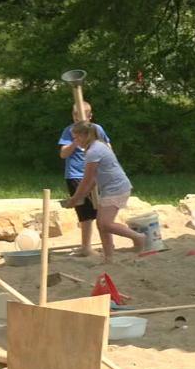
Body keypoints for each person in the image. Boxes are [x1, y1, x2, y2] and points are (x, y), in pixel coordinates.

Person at [64, 121, 147, 263]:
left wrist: (75, 198)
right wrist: (81, 196)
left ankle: (138, 237)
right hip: (110, 188)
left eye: (76, 138)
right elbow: (93, 180)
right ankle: (109, 257)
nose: (75, 141)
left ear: (85, 136)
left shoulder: (93, 151)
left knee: (106, 224)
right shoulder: (97, 147)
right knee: (101, 224)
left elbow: (87, 179)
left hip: (117, 188)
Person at [58, 101, 111, 257]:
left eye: (80, 115)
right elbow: (63, 154)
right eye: (74, 115)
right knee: (84, 213)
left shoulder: (97, 129)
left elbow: (108, 148)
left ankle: (107, 244)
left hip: (95, 175)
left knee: (102, 209)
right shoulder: (69, 131)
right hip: (75, 176)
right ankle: (86, 247)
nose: (77, 118)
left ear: (90, 116)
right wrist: (75, 141)